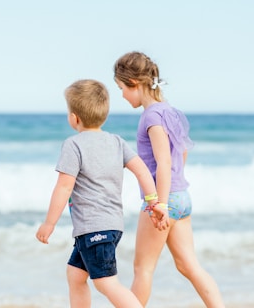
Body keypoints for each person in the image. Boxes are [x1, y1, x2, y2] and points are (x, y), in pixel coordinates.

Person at [35, 79, 168, 308]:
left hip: (93, 228)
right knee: (75, 275)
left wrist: (49, 223)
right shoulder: (116, 141)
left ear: (74, 117)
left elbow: (64, 187)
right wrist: (153, 201)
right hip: (110, 226)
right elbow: (143, 171)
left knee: (106, 283)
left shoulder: (73, 145)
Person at [113, 51, 226, 308]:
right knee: (188, 265)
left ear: (135, 84)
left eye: (121, 88)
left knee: (143, 268)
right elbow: (181, 152)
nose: (121, 95)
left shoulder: (151, 116)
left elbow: (163, 162)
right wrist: (173, 192)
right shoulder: (170, 111)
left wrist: (161, 204)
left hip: (163, 202)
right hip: (182, 197)